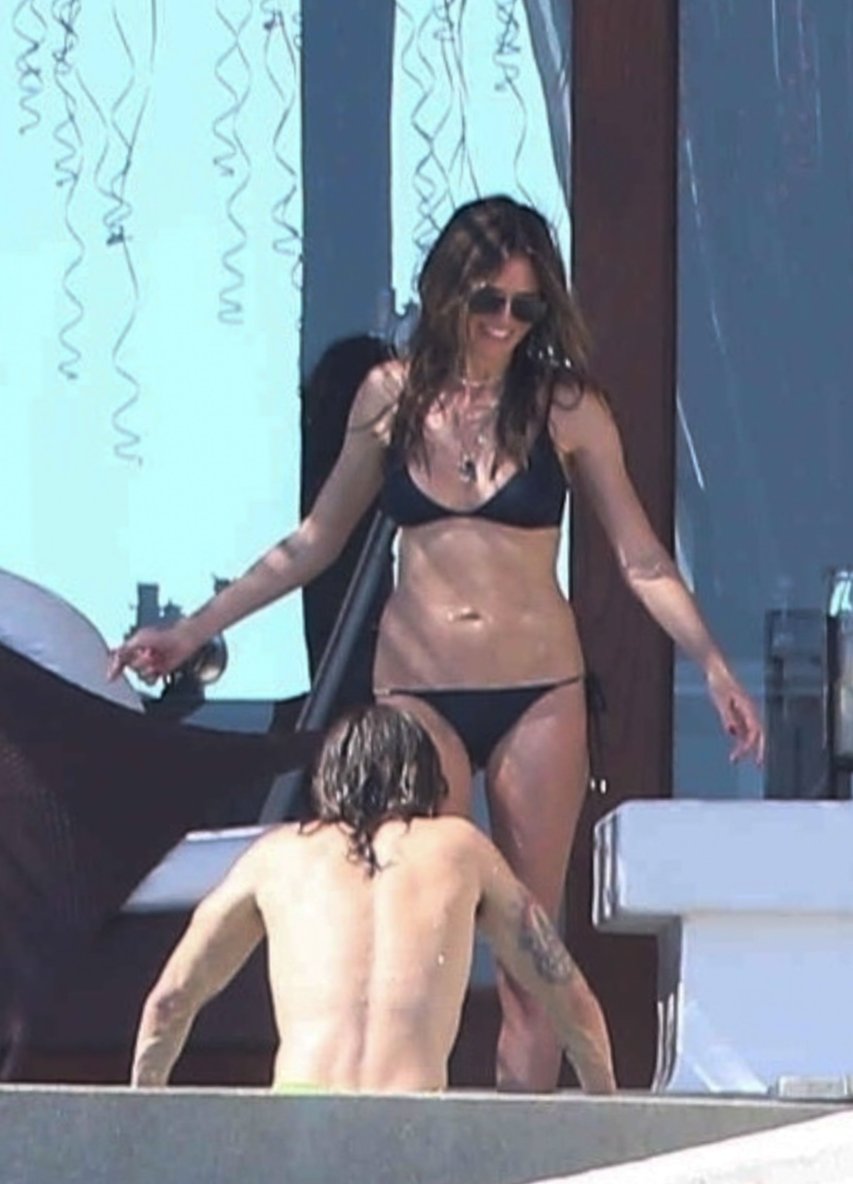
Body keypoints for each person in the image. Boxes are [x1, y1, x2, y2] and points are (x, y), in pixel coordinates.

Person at [112, 195, 763, 1092]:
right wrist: (193, 630)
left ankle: (522, 1157)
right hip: (418, 697)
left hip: (538, 690)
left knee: (532, 953)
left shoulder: (565, 405)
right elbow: (315, 542)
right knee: (423, 942)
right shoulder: (390, 397)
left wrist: (714, 664)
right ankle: (420, 1135)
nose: (504, 323)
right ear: (448, 291)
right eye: (488, 300)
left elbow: (640, 556)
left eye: (525, 306)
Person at [130, 704, 616, 1093]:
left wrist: (139, 1123)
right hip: (411, 1116)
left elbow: (170, 1001)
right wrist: (609, 1122)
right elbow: (571, 1002)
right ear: (426, 778)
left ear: (327, 776)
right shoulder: (461, 848)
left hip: (301, 1108)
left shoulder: (274, 856)